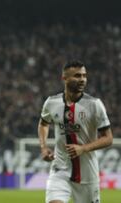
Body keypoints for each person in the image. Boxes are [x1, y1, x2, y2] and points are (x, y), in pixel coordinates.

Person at [38, 60, 113, 203]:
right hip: (60, 169)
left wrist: (84, 148)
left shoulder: (94, 105)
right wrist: (43, 147)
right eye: (77, 76)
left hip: (87, 175)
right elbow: (43, 124)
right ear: (64, 78)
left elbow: (108, 138)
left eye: (84, 76)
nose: (82, 80)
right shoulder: (51, 102)